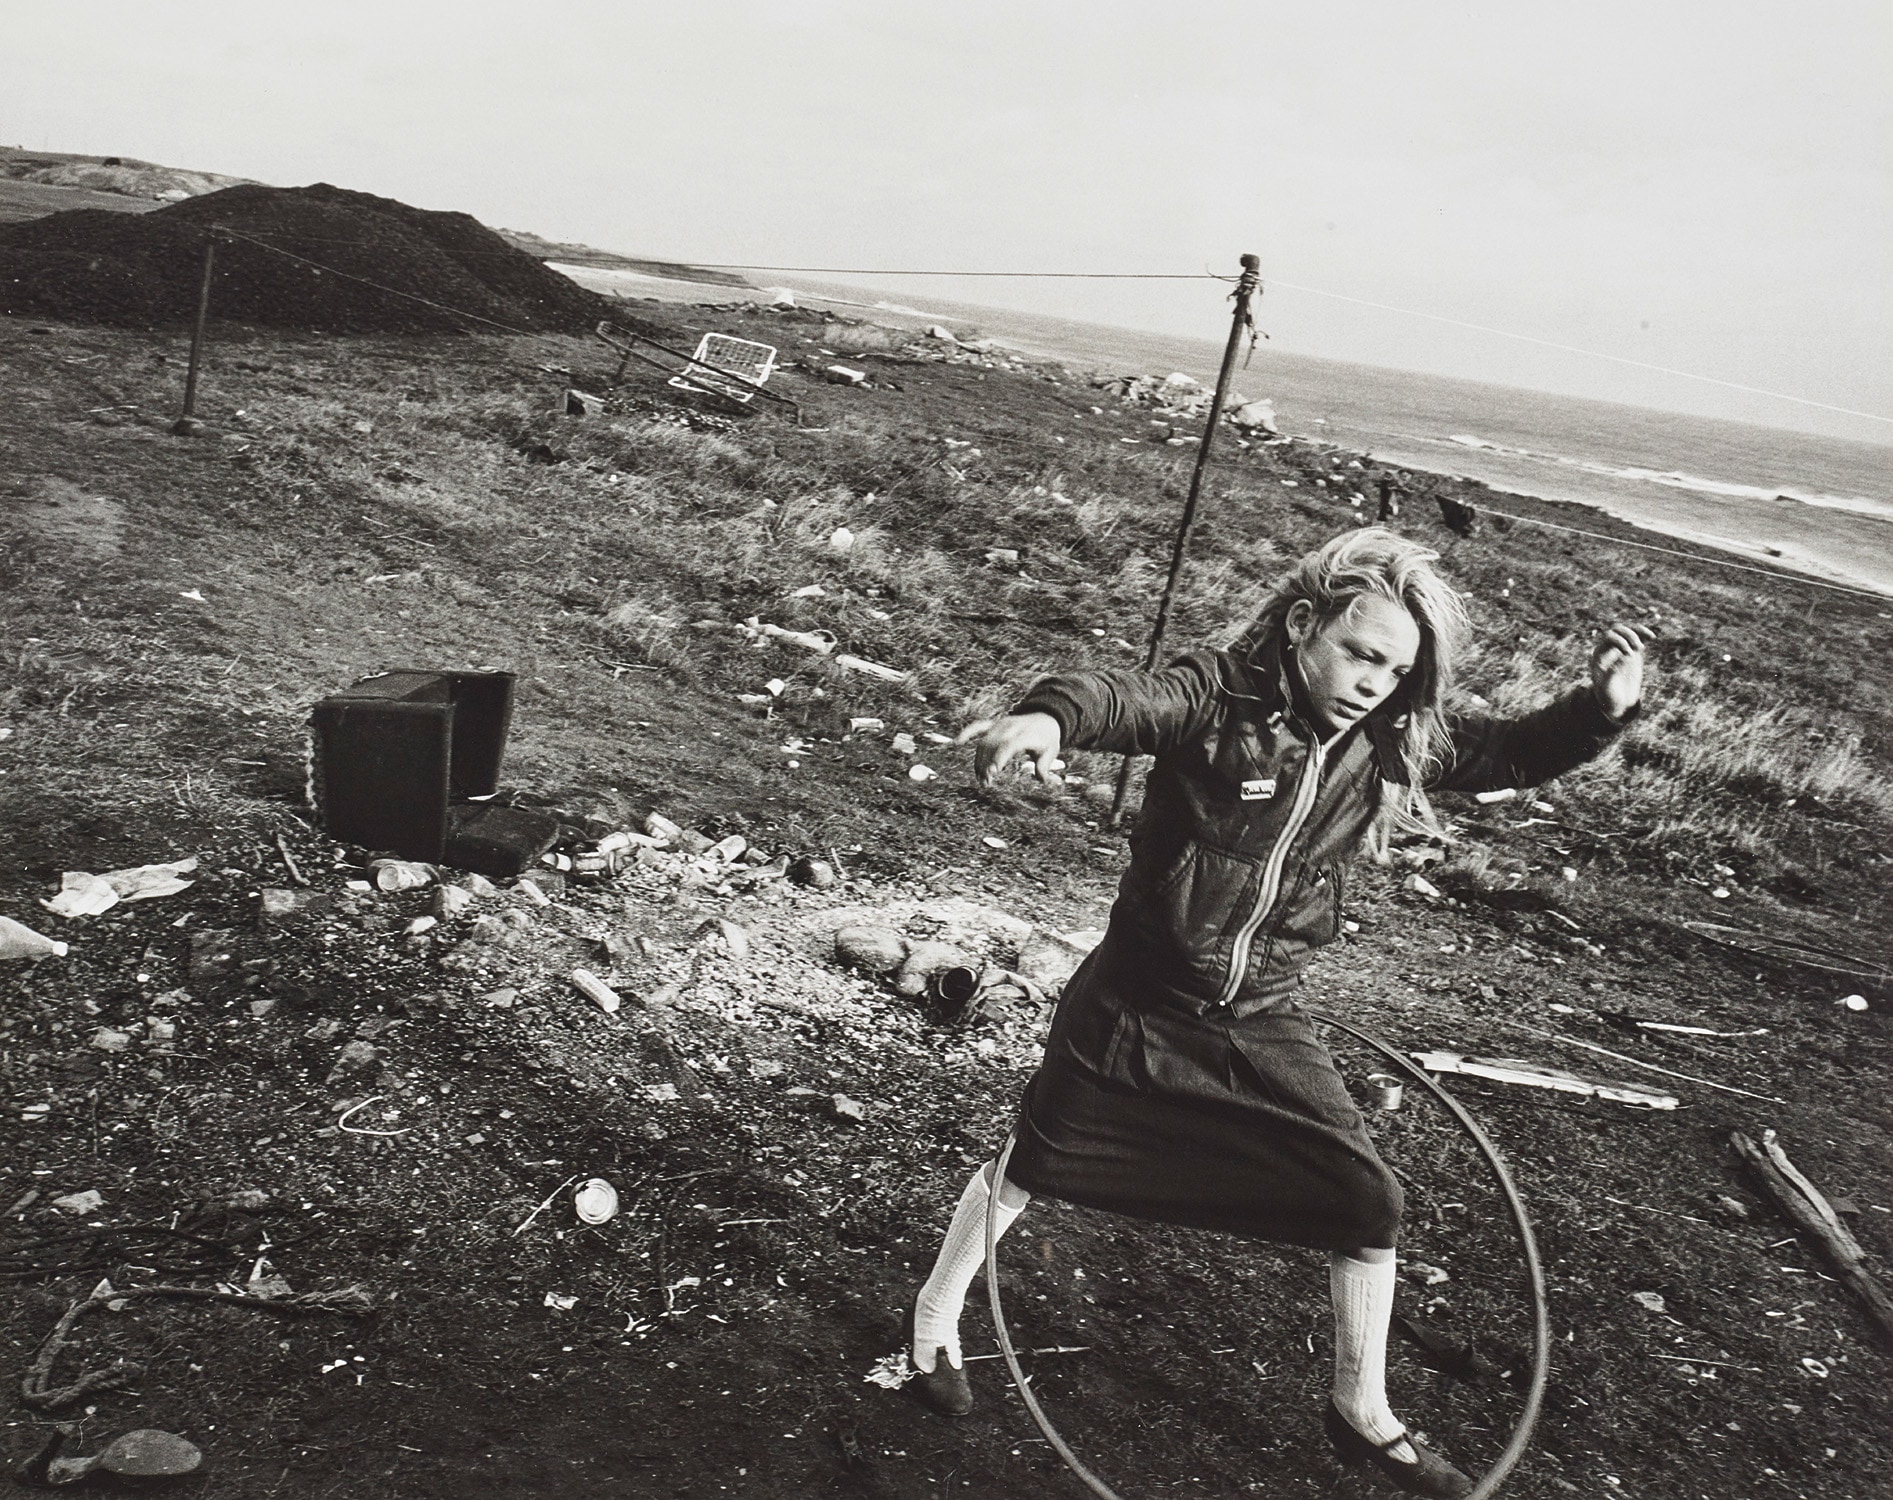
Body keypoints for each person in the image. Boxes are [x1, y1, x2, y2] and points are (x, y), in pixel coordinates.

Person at [906, 528, 1650, 1497]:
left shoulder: (1386, 741)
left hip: (1261, 1010)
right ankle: (934, 1319)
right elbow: (1123, 698)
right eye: (1360, 652)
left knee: (1368, 1201)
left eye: (1395, 669)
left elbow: (1508, 753)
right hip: (1136, 996)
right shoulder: (1218, 698)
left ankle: (1360, 1410)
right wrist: (1049, 719)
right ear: (1304, 625)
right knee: (1035, 1158)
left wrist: (1600, 710)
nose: (1374, 683)